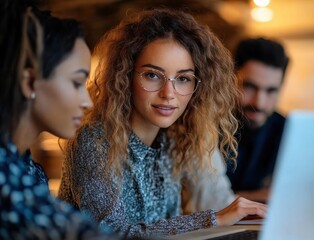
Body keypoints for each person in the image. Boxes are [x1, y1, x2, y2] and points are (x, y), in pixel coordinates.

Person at [58, 8, 267, 239]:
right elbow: (113, 233)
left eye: (183, 79)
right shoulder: (94, 141)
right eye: (152, 75)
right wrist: (214, 218)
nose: (169, 93)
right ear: (125, 76)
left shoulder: (174, 141)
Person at [0, 1, 121, 238]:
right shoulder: (5, 174)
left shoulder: (27, 169)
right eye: (76, 83)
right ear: (29, 82)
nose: (87, 102)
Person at [225, 37, 290, 201]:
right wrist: (262, 195)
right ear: (230, 80)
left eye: (271, 91)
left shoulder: (289, 131)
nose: (259, 103)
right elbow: (198, 201)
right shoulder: (205, 126)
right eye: (249, 86)